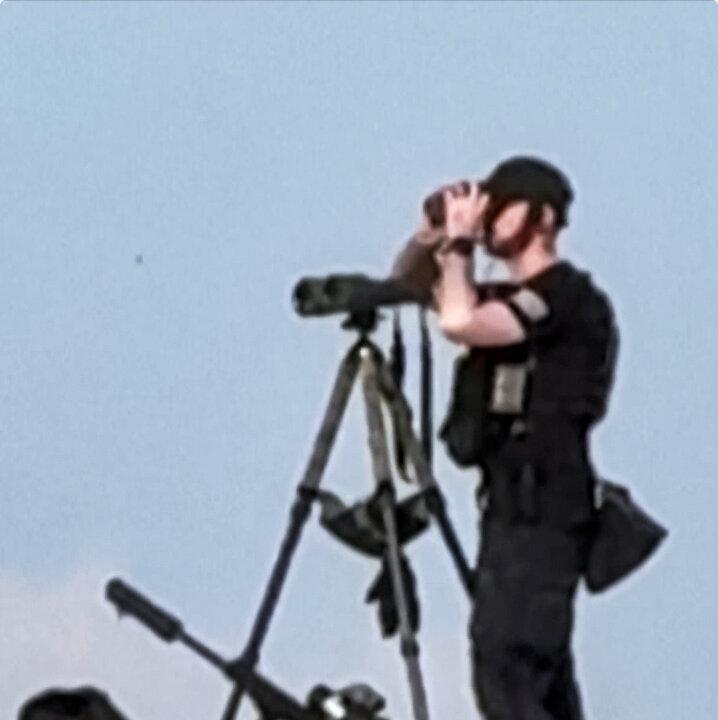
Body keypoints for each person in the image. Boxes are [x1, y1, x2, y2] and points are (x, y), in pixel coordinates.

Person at [393, 157, 619, 720]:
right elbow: (409, 288)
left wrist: (464, 248)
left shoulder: (568, 298)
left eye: (505, 205)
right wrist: (437, 235)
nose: (491, 218)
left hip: (546, 515)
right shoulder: (496, 293)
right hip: (509, 516)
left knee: (508, 668)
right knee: (536, 683)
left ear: (543, 218)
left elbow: (460, 323)